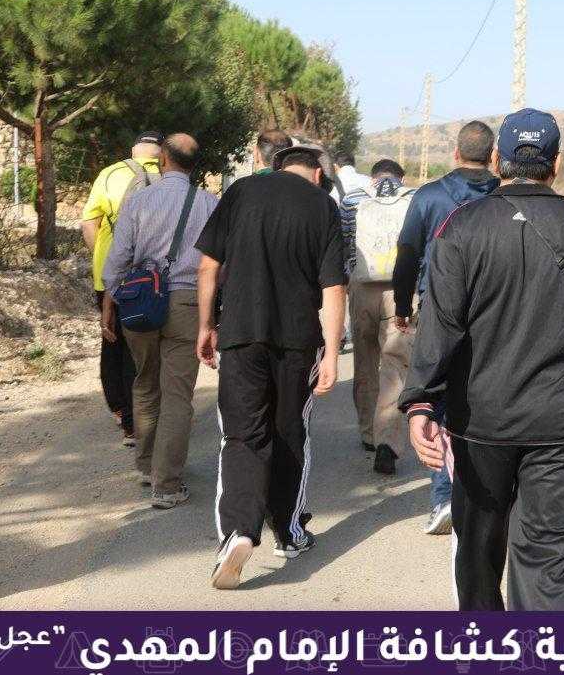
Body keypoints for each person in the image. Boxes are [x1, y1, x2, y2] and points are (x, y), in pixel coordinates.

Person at [399, 108, 564, 612]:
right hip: (560, 427)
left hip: (478, 425)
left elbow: (439, 324)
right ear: (556, 163)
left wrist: (421, 402)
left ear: (498, 160)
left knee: (478, 552)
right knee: (551, 558)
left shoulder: (461, 227)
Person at [195, 144, 346, 590]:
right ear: (317, 175)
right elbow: (334, 287)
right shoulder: (323, 205)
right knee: (289, 433)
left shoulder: (241, 191)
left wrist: (205, 325)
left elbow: (207, 266)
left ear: (277, 167)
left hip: (241, 334)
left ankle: (239, 532)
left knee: (242, 436)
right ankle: (289, 532)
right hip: (298, 341)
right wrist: (332, 354)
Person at [389, 120, 498, 535]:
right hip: (491, 312)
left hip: (437, 309)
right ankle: (484, 491)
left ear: (455, 153)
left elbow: (407, 253)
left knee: (435, 397)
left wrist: (403, 304)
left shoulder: (429, 196)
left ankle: (443, 497)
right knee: (483, 396)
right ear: (492, 156)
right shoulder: (502, 196)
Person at [101, 134, 218, 510]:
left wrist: (117, 297)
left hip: (141, 303)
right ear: (194, 164)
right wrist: (213, 315)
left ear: (163, 159)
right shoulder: (209, 203)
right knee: (177, 395)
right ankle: (167, 485)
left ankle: (146, 465)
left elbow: (117, 260)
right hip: (188, 303)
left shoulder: (139, 200)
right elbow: (219, 265)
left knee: (145, 382)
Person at [81, 132, 163, 446]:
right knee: (150, 345)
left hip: (111, 277)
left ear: (133, 151)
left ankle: (122, 412)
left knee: (114, 342)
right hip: (157, 278)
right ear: (160, 153)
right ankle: (150, 415)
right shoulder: (170, 175)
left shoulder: (110, 174)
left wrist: (103, 257)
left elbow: (89, 222)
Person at [340, 159, 415, 475]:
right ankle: (388, 440)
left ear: (372, 178)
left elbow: (345, 245)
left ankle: (368, 433)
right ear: (401, 177)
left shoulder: (352, 200)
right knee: (395, 363)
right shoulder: (413, 199)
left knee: (365, 359)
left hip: (362, 287)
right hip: (402, 289)